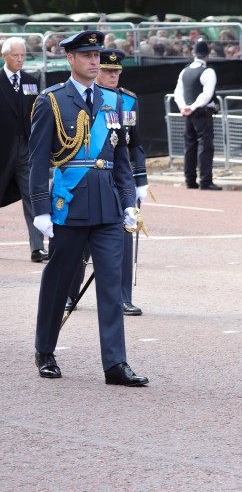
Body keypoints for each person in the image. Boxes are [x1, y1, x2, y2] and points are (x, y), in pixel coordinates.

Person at [28, 30, 148, 386]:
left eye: (96, 55)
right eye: (86, 55)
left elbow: (121, 159)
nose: (95, 61)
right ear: (70, 59)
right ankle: (45, 348)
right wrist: (40, 210)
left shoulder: (112, 102)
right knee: (58, 280)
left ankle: (115, 363)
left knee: (111, 286)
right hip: (70, 205)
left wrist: (129, 203)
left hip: (108, 208)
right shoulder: (52, 100)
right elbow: (36, 161)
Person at [64, 49, 150, 315]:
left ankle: (123, 296)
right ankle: (70, 291)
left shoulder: (127, 100)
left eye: (116, 72)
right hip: (88, 176)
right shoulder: (81, 99)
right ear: (96, 70)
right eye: (107, 71)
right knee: (81, 241)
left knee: (124, 239)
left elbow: (134, 144)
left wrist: (141, 180)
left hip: (118, 177)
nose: (112, 76)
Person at [0, 37, 47, 262]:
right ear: (4, 56)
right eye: (15, 55)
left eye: (22, 55)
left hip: (26, 149)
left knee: (33, 196)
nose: (20, 59)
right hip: (2, 150)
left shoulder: (31, 80)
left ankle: (37, 247)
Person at [174, 39, 221, 190]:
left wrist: (184, 107)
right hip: (201, 113)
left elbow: (178, 93)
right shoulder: (208, 71)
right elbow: (207, 95)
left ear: (194, 53)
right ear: (207, 55)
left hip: (188, 114)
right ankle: (205, 181)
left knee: (190, 146)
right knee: (205, 146)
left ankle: (190, 180)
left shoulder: (185, 70)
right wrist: (193, 107)